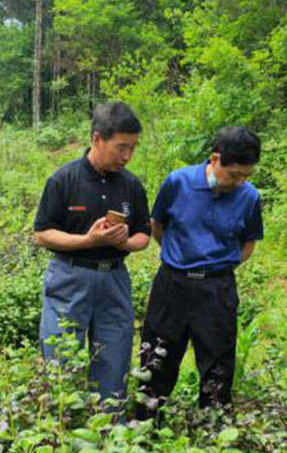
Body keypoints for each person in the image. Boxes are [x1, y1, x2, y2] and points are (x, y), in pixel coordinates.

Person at [135, 127, 264, 420]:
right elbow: (158, 226)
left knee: (217, 365)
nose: (240, 181)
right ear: (215, 159)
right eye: (234, 175)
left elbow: (248, 244)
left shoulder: (249, 197)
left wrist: (217, 267)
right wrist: (181, 258)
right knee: (156, 359)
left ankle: (214, 436)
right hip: (172, 284)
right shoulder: (177, 182)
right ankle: (144, 429)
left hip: (217, 290)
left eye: (247, 175)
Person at [33, 101, 151, 403]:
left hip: (114, 279)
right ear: (97, 138)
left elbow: (143, 235)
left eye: (132, 148)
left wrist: (122, 243)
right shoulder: (63, 179)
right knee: (61, 357)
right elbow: (42, 234)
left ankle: (110, 428)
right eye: (120, 147)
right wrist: (88, 241)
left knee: (115, 355)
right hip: (70, 276)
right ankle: (59, 426)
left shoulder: (132, 185)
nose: (127, 157)